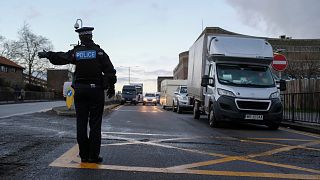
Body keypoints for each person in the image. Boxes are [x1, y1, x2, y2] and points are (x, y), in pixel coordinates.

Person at [38, 26, 116, 163]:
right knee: (95, 124)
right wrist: (111, 86)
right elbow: (110, 70)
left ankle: (84, 155)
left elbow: (61, 57)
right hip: (96, 91)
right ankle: (93, 156)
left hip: (80, 91)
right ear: (91, 36)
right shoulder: (99, 52)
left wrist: (48, 54)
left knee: (81, 123)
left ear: (80, 38)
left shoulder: (76, 52)